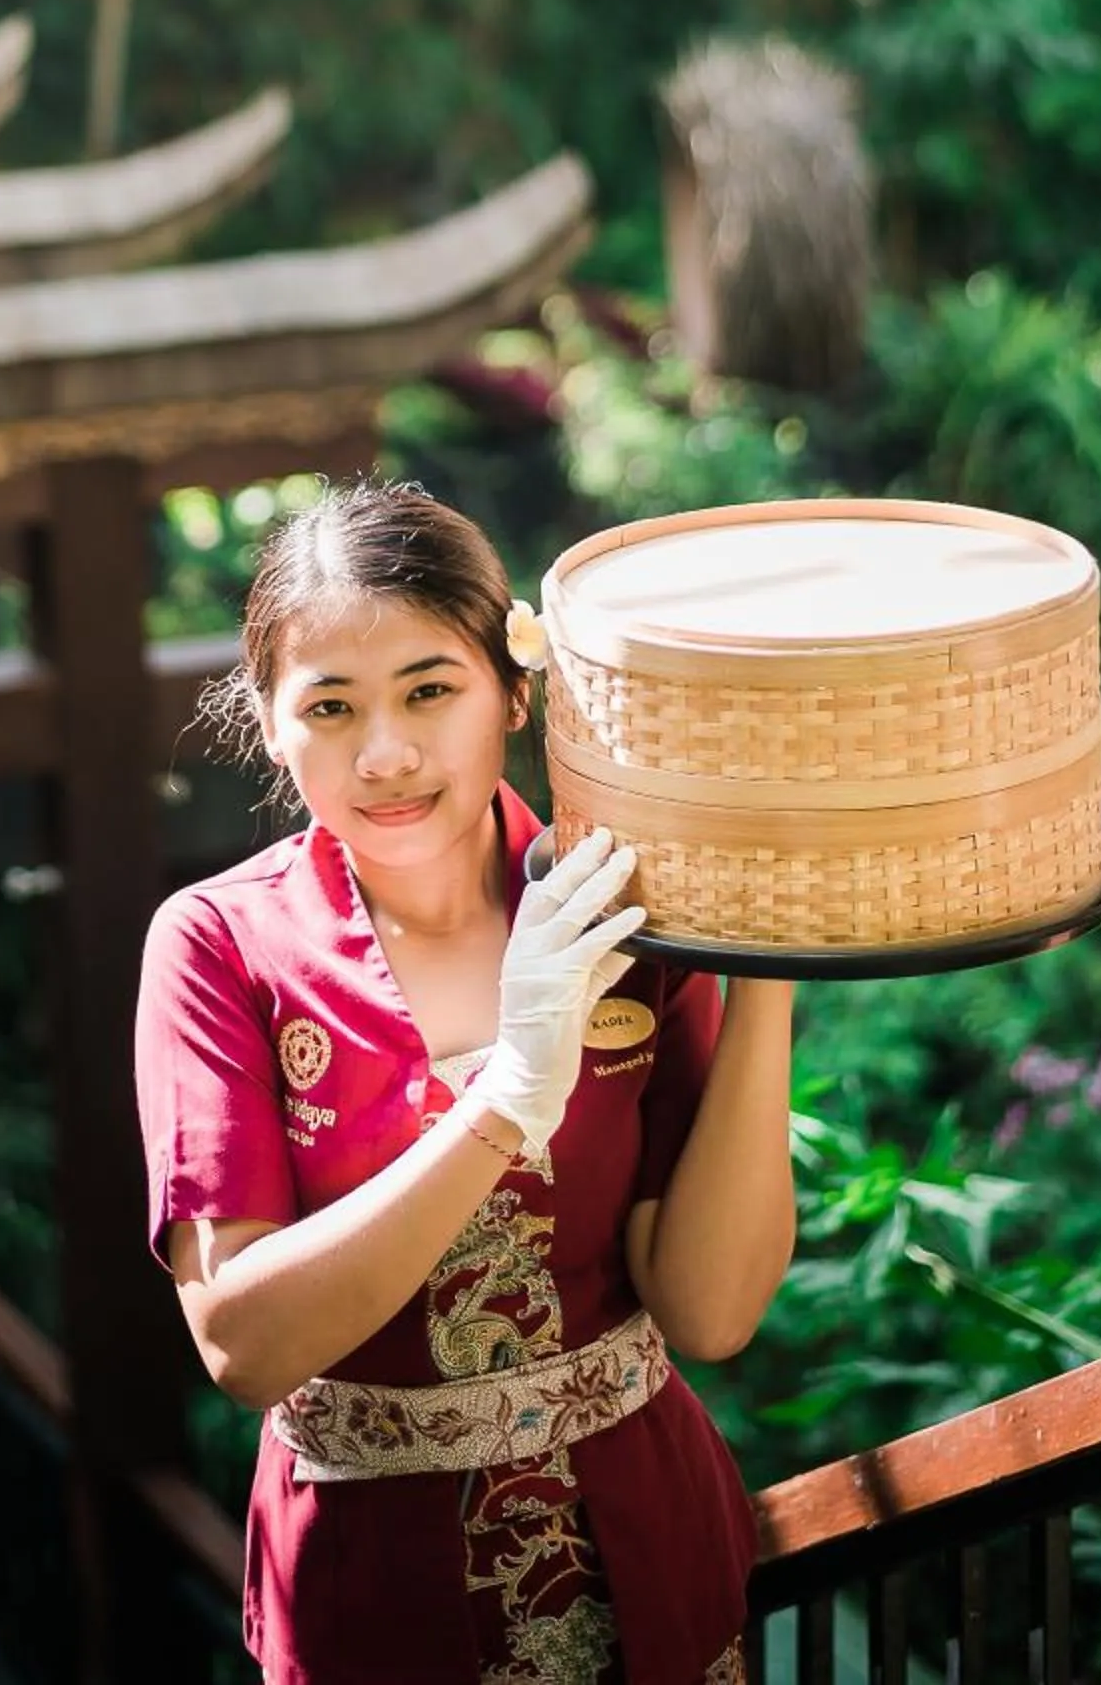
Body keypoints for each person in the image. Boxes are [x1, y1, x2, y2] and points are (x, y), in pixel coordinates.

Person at [134, 479, 798, 1685]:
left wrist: (765, 976)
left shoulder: (634, 917)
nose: (384, 755)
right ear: (270, 725)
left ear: (515, 692)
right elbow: (240, 1343)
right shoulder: (219, 946)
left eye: (430, 690)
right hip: (376, 1596)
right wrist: (503, 1102)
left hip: (651, 1550)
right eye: (328, 706)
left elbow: (709, 1313)